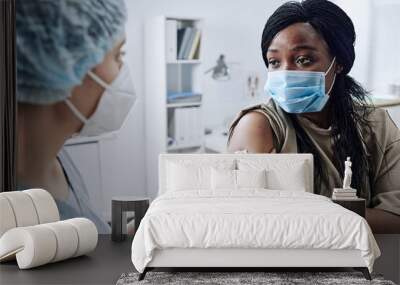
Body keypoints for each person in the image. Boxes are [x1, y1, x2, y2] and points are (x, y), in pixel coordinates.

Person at [228, 0, 400, 233]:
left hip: (362, 264)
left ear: (338, 63)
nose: (286, 73)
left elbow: (394, 217)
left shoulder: (375, 125)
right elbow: (254, 223)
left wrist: (308, 212)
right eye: (274, 62)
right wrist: (344, 213)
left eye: (303, 60)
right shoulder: (259, 126)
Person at [16, 0, 136, 233]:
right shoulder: (20, 219)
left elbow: (87, 236)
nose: (123, 71)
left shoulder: (55, 155)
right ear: (63, 61)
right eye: (117, 55)